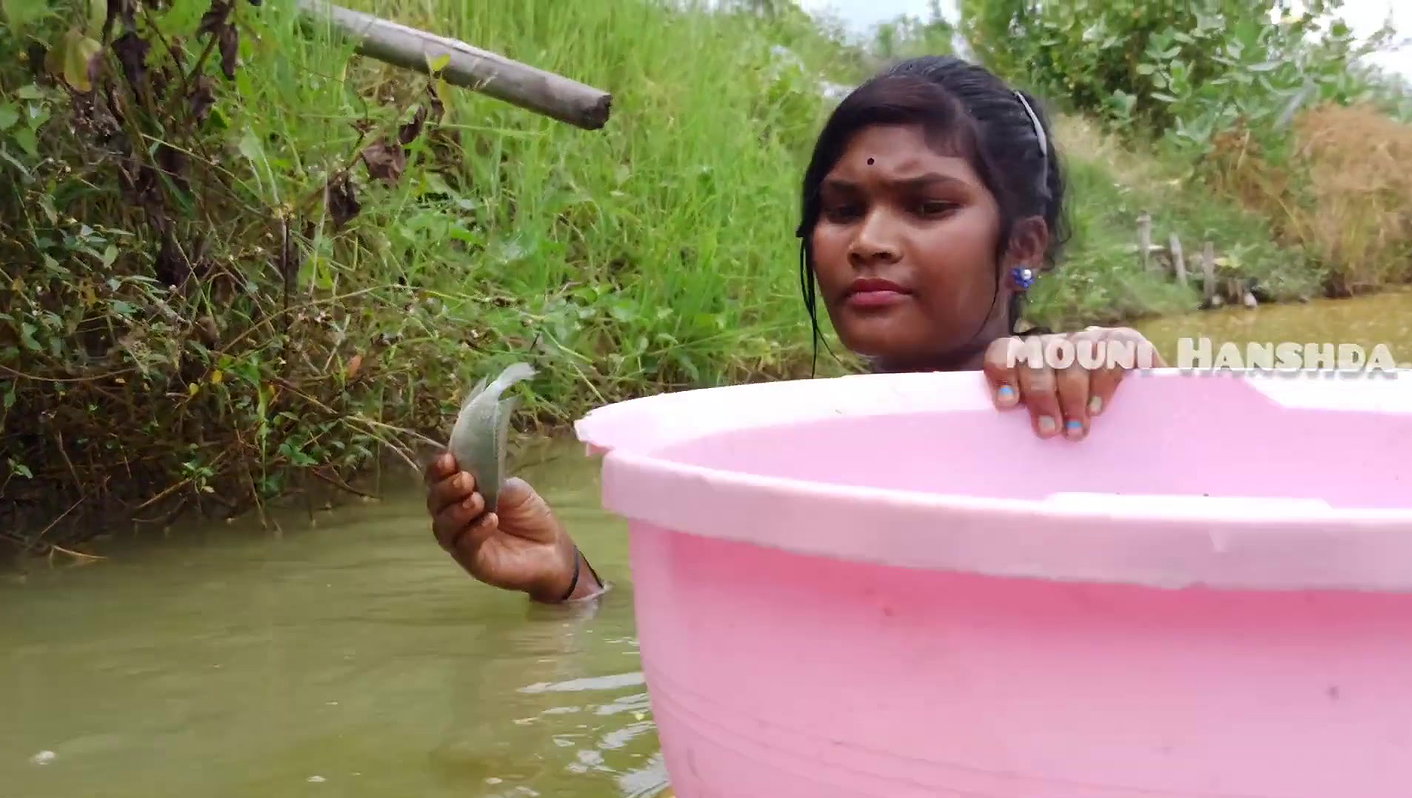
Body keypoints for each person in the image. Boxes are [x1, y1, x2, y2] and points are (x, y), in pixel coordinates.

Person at [424, 55, 1162, 605]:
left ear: (1024, 245)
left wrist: (1122, 378)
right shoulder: (788, 452)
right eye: (842, 209)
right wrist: (568, 581)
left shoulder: (1073, 399)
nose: (869, 240)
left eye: (928, 207)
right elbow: (748, 644)